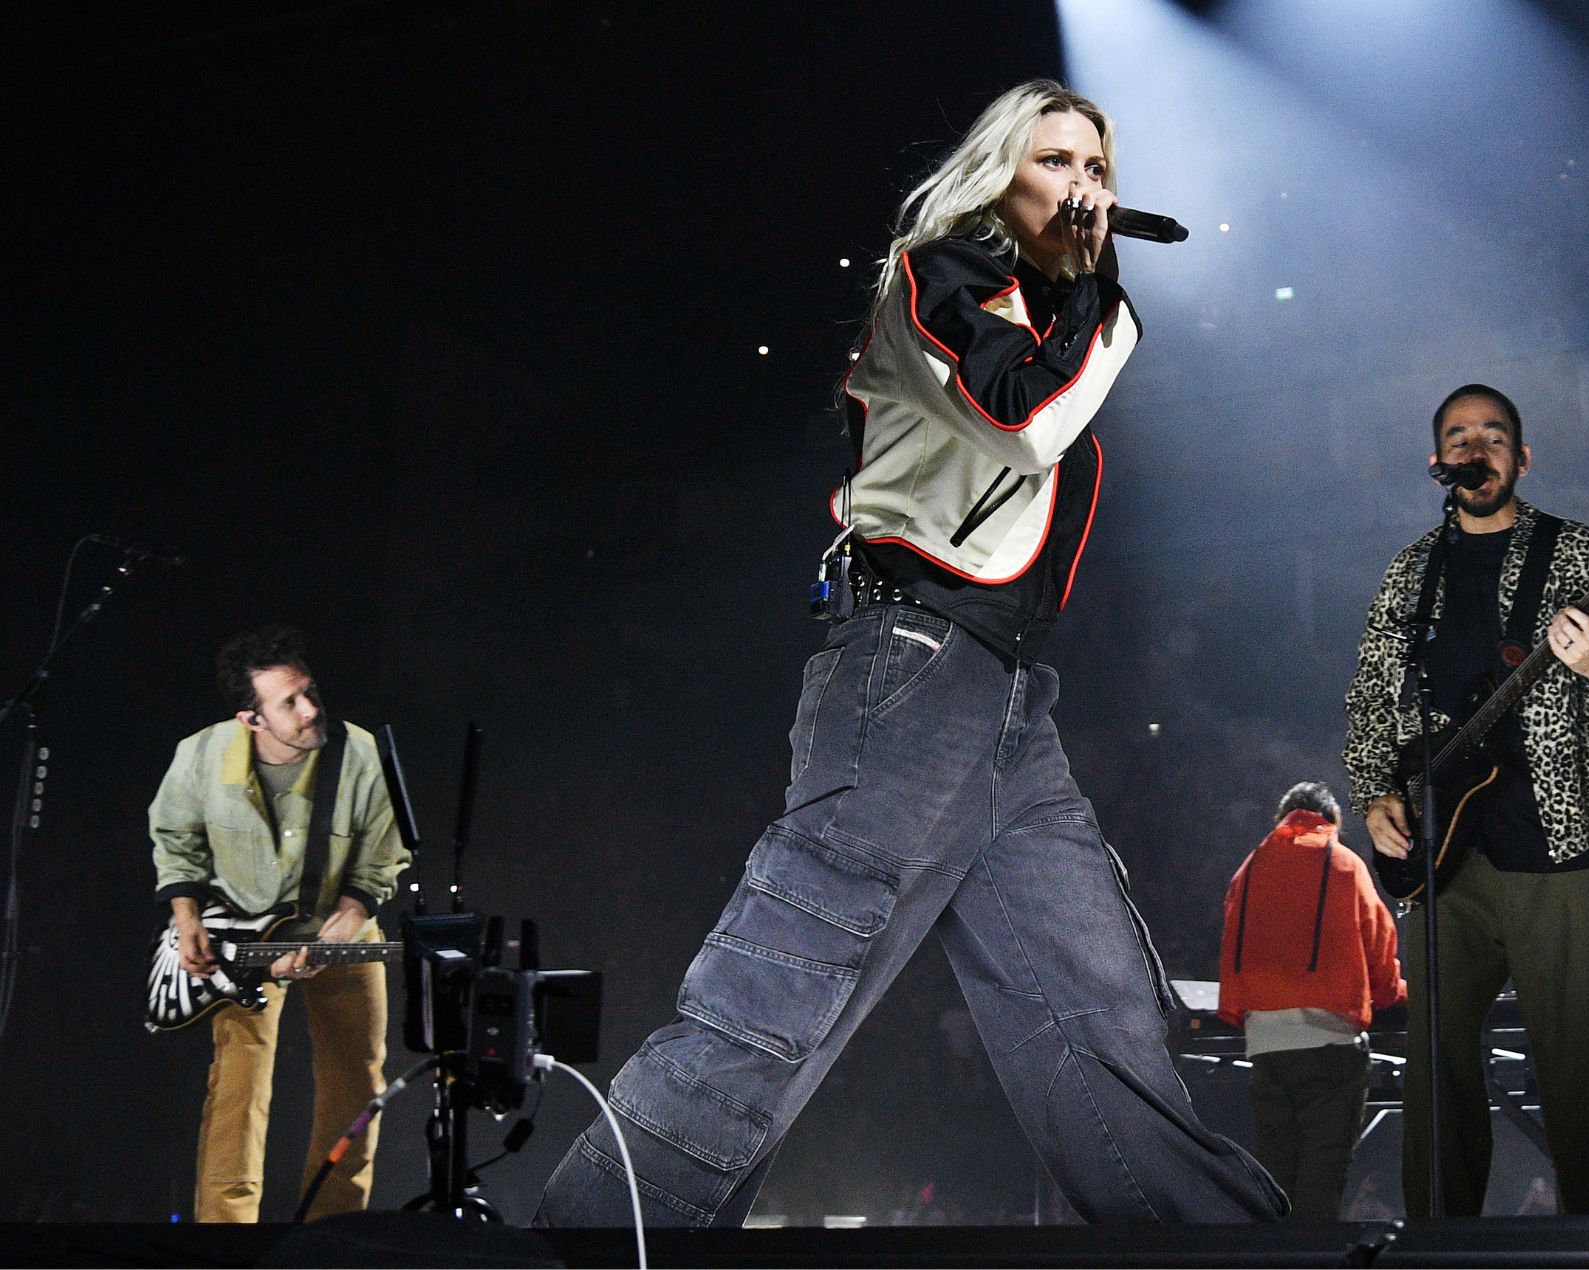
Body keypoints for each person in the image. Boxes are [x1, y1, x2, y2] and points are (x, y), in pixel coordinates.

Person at [537, 80, 1285, 1226]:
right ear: (1001, 172)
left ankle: (1213, 1246)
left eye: (1098, 169)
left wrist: (1085, 295)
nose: (1084, 188)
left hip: (1005, 707)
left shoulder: (1053, 309)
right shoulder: (940, 273)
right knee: (778, 988)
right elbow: (1023, 420)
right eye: (1057, 162)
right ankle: (591, 1240)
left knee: (1093, 1009)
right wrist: (1100, 296)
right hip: (910, 667)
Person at [1341, 384, 1589, 1217]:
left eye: (1494, 435)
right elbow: (1371, 700)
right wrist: (1376, 795)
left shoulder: (1579, 554)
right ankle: (1439, 1246)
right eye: (1458, 436)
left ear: (1521, 459)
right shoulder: (1412, 572)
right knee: (1434, 1081)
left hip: (1565, 848)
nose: (1475, 447)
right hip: (1446, 856)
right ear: (1438, 463)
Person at [150, 624, 409, 1222]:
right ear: (251, 719)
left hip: (342, 932)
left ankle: (334, 1230)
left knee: (357, 1086)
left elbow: (382, 856)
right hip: (243, 942)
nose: (310, 709)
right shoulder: (202, 754)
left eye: (309, 692)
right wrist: (186, 917)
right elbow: (175, 838)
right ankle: (225, 1236)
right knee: (238, 1090)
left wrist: (341, 925)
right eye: (288, 702)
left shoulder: (360, 753)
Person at [1218, 781, 1404, 1222]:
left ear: (1281, 819)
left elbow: (1229, 944)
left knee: (1276, 1176)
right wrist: (1392, 994)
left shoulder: (1249, 868)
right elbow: (1378, 944)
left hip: (1265, 1047)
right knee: (1322, 1176)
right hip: (1330, 1044)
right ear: (1332, 821)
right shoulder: (1343, 863)